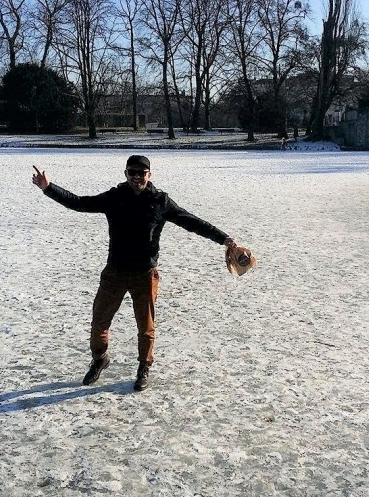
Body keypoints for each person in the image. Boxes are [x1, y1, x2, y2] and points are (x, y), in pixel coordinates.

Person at [32, 155, 239, 391]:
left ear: (150, 175)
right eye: (133, 172)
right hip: (115, 273)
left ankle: (144, 367)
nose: (137, 177)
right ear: (126, 174)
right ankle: (100, 359)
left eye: (142, 173)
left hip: (145, 274)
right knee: (99, 322)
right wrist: (49, 188)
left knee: (146, 326)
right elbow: (80, 203)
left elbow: (191, 221)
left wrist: (224, 239)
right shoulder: (115, 197)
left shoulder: (160, 201)